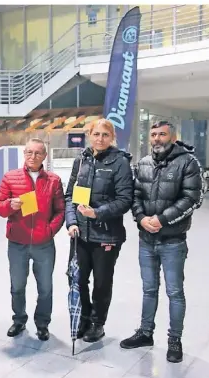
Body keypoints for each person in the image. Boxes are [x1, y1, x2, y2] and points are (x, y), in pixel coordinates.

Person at [120, 120, 203, 363]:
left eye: (162, 134)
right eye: (153, 134)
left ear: (173, 136)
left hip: (173, 241)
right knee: (148, 289)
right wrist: (141, 218)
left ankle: (174, 340)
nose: (156, 138)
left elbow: (192, 198)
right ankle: (145, 333)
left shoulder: (188, 162)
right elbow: (135, 195)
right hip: (146, 239)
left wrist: (162, 219)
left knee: (174, 292)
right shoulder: (144, 163)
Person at [64, 118, 134, 343]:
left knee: (102, 282)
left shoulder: (120, 162)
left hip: (107, 235)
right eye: (96, 134)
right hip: (80, 234)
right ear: (89, 135)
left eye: (105, 135)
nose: (100, 139)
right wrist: (72, 222)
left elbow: (125, 200)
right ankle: (83, 317)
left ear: (111, 137)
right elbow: (70, 196)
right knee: (77, 278)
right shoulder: (82, 160)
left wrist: (98, 213)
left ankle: (97, 322)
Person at [0, 138, 65, 341]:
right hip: (18, 243)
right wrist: (10, 205)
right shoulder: (10, 177)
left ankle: (42, 324)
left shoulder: (54, 180)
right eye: (29, 153)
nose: (33, 157)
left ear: (44, 156)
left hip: (44, 244)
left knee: (45, 287)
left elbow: (60, 210)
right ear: (24, 154)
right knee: (17, 286)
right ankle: (19, 320)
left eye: (38, 153)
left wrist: (50, 230)